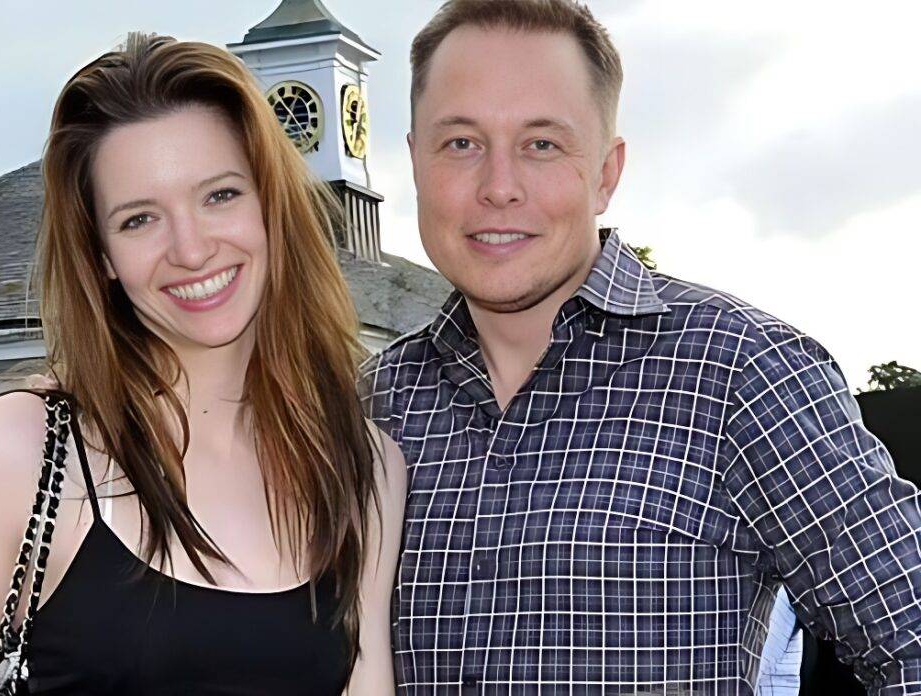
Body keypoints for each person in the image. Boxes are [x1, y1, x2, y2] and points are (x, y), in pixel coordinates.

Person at [360, 1, 921, 694]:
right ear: (415, 162)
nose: (499, 187)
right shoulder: (370, 405)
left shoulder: (744, 373)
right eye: (461, 143)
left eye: (542, 144)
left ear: (606, 172)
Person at [0, 34, 405, 695]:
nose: (191, 250)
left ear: (271, 206)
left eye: (219, 195)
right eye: (140, 219)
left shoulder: (362, 468)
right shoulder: (17, 453)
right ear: (102, 257)